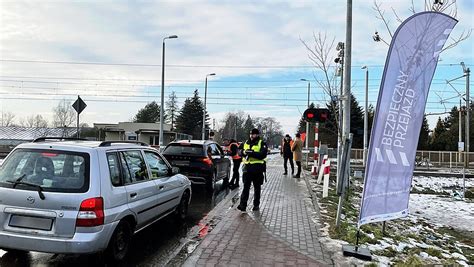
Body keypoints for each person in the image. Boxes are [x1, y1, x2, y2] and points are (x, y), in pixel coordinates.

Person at [237, 128, 268, 212]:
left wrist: (252, 153)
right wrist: (244, 152)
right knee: (245, 187)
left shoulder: (262, 143)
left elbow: (263, 155)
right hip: (247, 169)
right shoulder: (246, 142)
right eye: (250, 134)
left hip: (257, 169)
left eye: (253, 134)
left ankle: (256, 205)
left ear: (257, 135)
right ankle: (242, 205)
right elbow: (239, 151)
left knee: (257, 188)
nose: (251, 136)